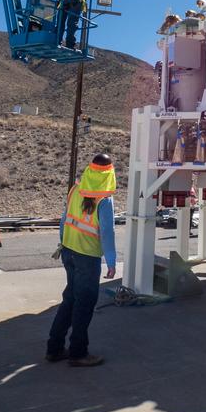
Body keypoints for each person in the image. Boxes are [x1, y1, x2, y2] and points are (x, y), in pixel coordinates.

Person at [47, 153, 117, 367]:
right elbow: (107, 232)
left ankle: (55, 349)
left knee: (70, 299)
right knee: (84, 304)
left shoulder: (75, 189)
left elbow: (64, 220)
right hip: (87, 257)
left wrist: (63, 244)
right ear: (109, 173)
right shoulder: (104, 200)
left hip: (68, 252)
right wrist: (111, 262)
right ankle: (78, 353)